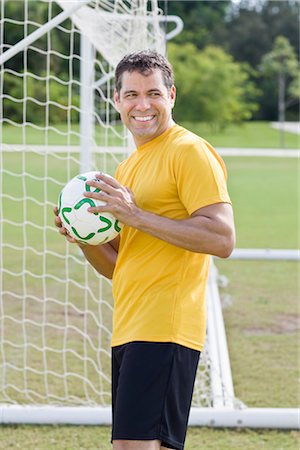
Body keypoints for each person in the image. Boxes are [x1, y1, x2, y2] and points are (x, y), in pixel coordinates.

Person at [54, 50, 235, 450]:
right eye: (132, 94)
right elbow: (119, 265)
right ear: (116, 100)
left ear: (172, 95)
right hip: (132, 325)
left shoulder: (188, 151)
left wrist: (135, 216)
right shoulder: (128, 168)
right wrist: (83, 236)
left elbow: (222, 238)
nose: (143, 105)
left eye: (153, 93)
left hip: (165, 325)